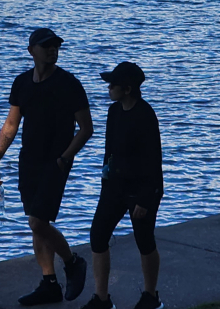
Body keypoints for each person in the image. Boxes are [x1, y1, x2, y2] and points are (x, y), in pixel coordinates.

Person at [0, 27, 94, 305]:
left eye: (55, 45)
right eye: (46, 45)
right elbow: (11, 124)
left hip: (55, 163)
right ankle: (49, 284)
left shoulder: (69, 83)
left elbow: (86, 128)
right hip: (29, 161)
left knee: (37, 220)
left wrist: (65, 158)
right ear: (31, 50)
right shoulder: (22, 83)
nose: (52, 49)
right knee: (37, 223)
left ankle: (72, 262)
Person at [81, 62, 163, 309]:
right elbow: (110, 153)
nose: (109, 88)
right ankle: (102, 299)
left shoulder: (145, 115)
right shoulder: (113, 112)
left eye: (113, 84)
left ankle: (151, 297)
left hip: (141, 189)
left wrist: (146, 199)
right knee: (98, 235)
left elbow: (153, 161)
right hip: (114, 186)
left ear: (127, 89)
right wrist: (105, 181)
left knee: (144, 239)